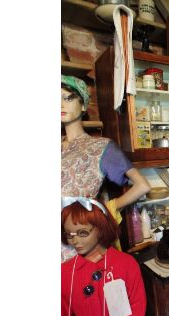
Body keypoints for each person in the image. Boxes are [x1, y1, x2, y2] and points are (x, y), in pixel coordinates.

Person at [61, 75, 150, 261]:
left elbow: (142, 185)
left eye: (68, 98)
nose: (60, 105)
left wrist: (103, 210)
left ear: (84, 105)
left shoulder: (100, 147)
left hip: (78, 245)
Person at [61, 198, 147, 316]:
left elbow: (137, 302)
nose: (75, 240)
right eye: (69, 234)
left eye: (82, 232)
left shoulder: (125, 264)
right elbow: (61, 310)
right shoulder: (66, 272)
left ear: (100, 228)